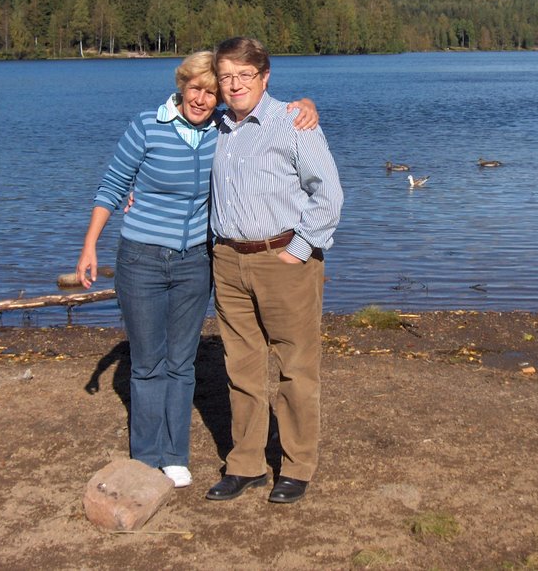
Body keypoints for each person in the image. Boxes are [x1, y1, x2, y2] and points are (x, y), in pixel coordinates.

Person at [76, 51, 317, 489]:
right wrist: (90, 245)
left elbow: (263, 110)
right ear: (181, 86)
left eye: (212, 90)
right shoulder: (146, 125)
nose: (203, 99)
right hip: (142, 259)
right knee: (148, 363)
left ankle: (174, 455)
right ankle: (147, 455)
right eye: (196, 88)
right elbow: (113, 184)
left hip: (195, 262)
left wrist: (304, 104)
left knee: (182, 362)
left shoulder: (223, 130)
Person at [205, 37, 343, 505]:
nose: (235, 84)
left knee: (295, 367)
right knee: (240, 368)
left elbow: (329, 194)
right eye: (226, 76)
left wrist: (298, 250)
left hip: (283, 260)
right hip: (227, 259)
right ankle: (246, 465)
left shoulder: (293, 123)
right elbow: (179, 106)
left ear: (265, 77)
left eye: (245, 75)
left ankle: (297, 465)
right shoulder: (217, 125)